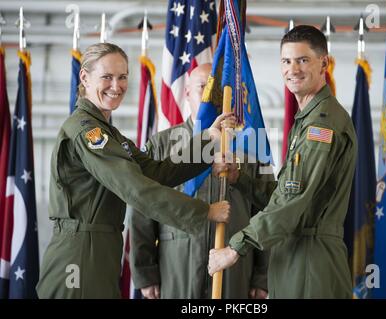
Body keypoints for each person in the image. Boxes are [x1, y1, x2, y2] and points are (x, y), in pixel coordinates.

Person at [36, 43, 233, 299]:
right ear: (84, 77)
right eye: (106, 77)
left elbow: (155, 171)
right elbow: (135, 188)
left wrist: (207, 139)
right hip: (81, 252)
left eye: (122, 77)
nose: (116, 86)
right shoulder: (87, 131)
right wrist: (204, 211)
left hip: (100, 247)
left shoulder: (109, 133)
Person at [208, 25, 357, 298]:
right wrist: (239, 178)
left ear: (324, 62)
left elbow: (293, 201)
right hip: (293, 255)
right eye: (286, 61)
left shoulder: (322, 125)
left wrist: (236, 246)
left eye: (303, 60)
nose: (293, 69)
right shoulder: (307, 120)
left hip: (312, 259)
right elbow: (286, 193)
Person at [130, 63, 272, 299]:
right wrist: (145, 273)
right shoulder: (162, 145)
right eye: (202, 87)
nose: (210, 96)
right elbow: (141, 209)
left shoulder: (252, 147)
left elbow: (268, 210)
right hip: (176, 269)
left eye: (216, 90)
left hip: (236, 271)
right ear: (186, 92)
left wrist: (262, 276)